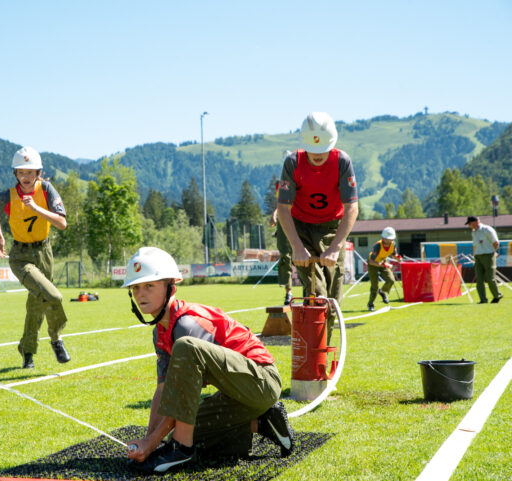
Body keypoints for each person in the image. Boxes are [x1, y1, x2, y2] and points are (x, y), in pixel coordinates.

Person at [123, 247, 294, 473]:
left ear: (170, 287)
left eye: (149, 286)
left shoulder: (186, 325)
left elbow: (185, 394)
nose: (141, 294)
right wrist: (149, 443)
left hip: (262, 382)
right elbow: (163, 391)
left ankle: (181, 450)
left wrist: (153, 442)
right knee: (187, 433)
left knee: (186, 350)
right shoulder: (160, 331)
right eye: (135, 287)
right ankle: (264, 422)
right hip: (236, 394)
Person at [276, 112, 359, 344]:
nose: (318, 155)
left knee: (333, 301)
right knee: (318, 294)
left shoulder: (342, 161)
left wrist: (336, 246)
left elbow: (352, 207)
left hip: (333, 228)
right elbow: (283, 207)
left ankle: (323, 354)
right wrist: (296, 246)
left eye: (323, 150)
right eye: (313, 150)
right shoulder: (293, 162)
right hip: (300, 228)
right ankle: (313, 355)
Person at [0, 146, 71, 369]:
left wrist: (36, 208)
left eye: (30, 172)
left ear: (38, 173)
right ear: (15, 174)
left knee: (36, 305)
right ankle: (56, 338)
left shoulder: (46, 190)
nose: (25, 177)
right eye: (21, 172)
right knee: (54, 296)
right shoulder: (9, 194)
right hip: (20, 256)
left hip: (44, 253)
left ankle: (27, 353)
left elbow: (62, 223)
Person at [465, 216, 503, 304]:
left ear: (475, 222)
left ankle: (497, 296)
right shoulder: (474, 232)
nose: (469, 226)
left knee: (490, 278)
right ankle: (483, 299)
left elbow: (496, 242)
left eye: (469, 224)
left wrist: (494, 252)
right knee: (479, 279)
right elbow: (475, 245)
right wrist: (475, 256)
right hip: (478, 256)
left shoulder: (487, 229)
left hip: (488, 255)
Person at [270, 171, 293, 305]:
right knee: (285, 257)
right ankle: (288, 292)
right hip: (284, 222)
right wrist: (274, 214)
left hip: (302, 221)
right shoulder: (281, 185)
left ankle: (310, 290)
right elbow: (280, 203)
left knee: (308, 256)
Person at [367, 227, 402, 311]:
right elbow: (372, 261)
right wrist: (384, 265)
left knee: (391, 280)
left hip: (383, 262)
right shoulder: (377, 245)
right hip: (373, 264)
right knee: (374, 286)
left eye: (391, 239)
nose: (389, 241)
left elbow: (394, 254)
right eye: (388, 239)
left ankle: (382, 291)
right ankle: (370, 304)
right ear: (383, 238)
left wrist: (398, 258)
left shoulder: (393, 244)